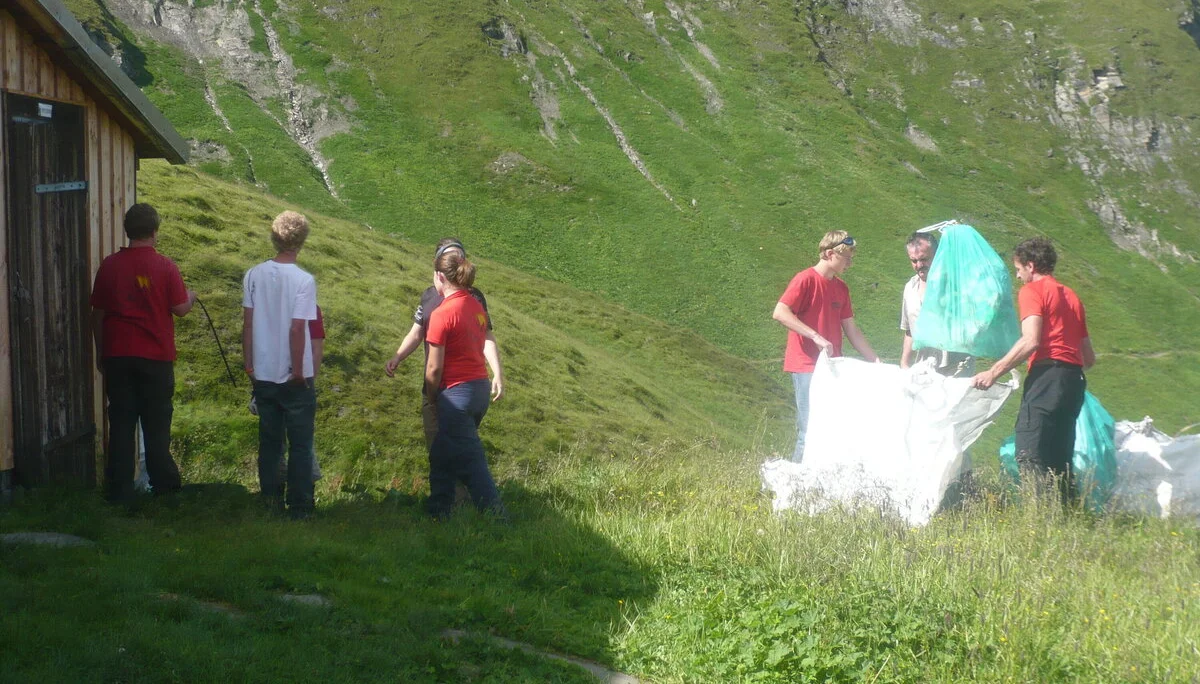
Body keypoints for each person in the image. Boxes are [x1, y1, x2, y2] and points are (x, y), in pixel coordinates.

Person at [972, 237, 1095, 503]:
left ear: (1031, 265)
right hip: (1073, 380)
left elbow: (1031, 340)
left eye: (1018, 269)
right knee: (1060, 456)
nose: (1018, 276)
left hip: (1046, 376)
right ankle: (1068, 517)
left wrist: (993, 372)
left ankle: (1039, 518)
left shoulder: (1033, 291)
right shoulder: (1072, 296)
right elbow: (1089, 357)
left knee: (1030, 451)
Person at [90, 203, 197, 503]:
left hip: (118, 356)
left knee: (122, 422)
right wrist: (192, 297)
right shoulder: (165, 266)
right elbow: (180, 309)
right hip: (156, 358)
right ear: (154, 231)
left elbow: (97, 313)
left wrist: (102, 353)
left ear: (128, 231)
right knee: (156, 424)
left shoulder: (110, 266)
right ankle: (164, 489)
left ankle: (119, 492)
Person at [385, 239, 504, 449]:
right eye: (451, 256)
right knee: (441, 447)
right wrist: (398, 356)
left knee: (453, 449)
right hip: (434, 384)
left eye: (460, 256)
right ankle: (465, 480)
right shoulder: (429, 296)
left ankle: (460, 481)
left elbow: (486, 336)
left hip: (462, 388)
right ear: (439, 264)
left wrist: (497, 373)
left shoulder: (475, 297)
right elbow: (416, 332)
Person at [772, 230, 880, 462]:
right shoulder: (805, 279)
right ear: (830, 254)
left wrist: (875, 360)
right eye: (847, 257)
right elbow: (780, 312)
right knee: (809, 429)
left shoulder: (841, 288)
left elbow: (851, 329)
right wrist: (815, 336)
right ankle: (797, 485)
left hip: (832, 366)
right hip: (806, 365)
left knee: (830, 428)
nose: (850, 263)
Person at [242, 211, 319, 519]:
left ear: (274, 238)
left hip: (263, 372)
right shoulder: (304, 280)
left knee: (270, 442)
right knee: (300, 444)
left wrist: (249, 363)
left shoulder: (253, 274)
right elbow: (297, 328)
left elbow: (247, 324)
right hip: (295, 375)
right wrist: (299, 370)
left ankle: (270, 502)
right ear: (301, 241)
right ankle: (300, 507)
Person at [423, 248, 505, 519]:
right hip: (479, 389)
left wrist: (432, 396)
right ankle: (439, 510)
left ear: (439, 277)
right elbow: (482, 341)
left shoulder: (442, 314)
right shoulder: (475, 306)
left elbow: (434, 368)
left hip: (456, 395)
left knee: (472, 461)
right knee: (442, 453)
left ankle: (497, 517)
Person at [253, 306, 324, 483]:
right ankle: (301, 502)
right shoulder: (310, 308)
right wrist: (308, 381)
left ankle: (272, 499)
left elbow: (254, 342)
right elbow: (316, 348)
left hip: (270, 380)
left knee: (272, 443)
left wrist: (255, 381)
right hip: (296, 382)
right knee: (300, 443)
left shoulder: (264, 306)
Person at [899, 231, 974, 376]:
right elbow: (909, 330)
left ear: (938, 255)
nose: (919, 265)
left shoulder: (955, 284)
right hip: (923, 367)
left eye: (924, 259)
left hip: (956, 369)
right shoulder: (910, 287)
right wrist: (904, 362)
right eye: (914, 261)